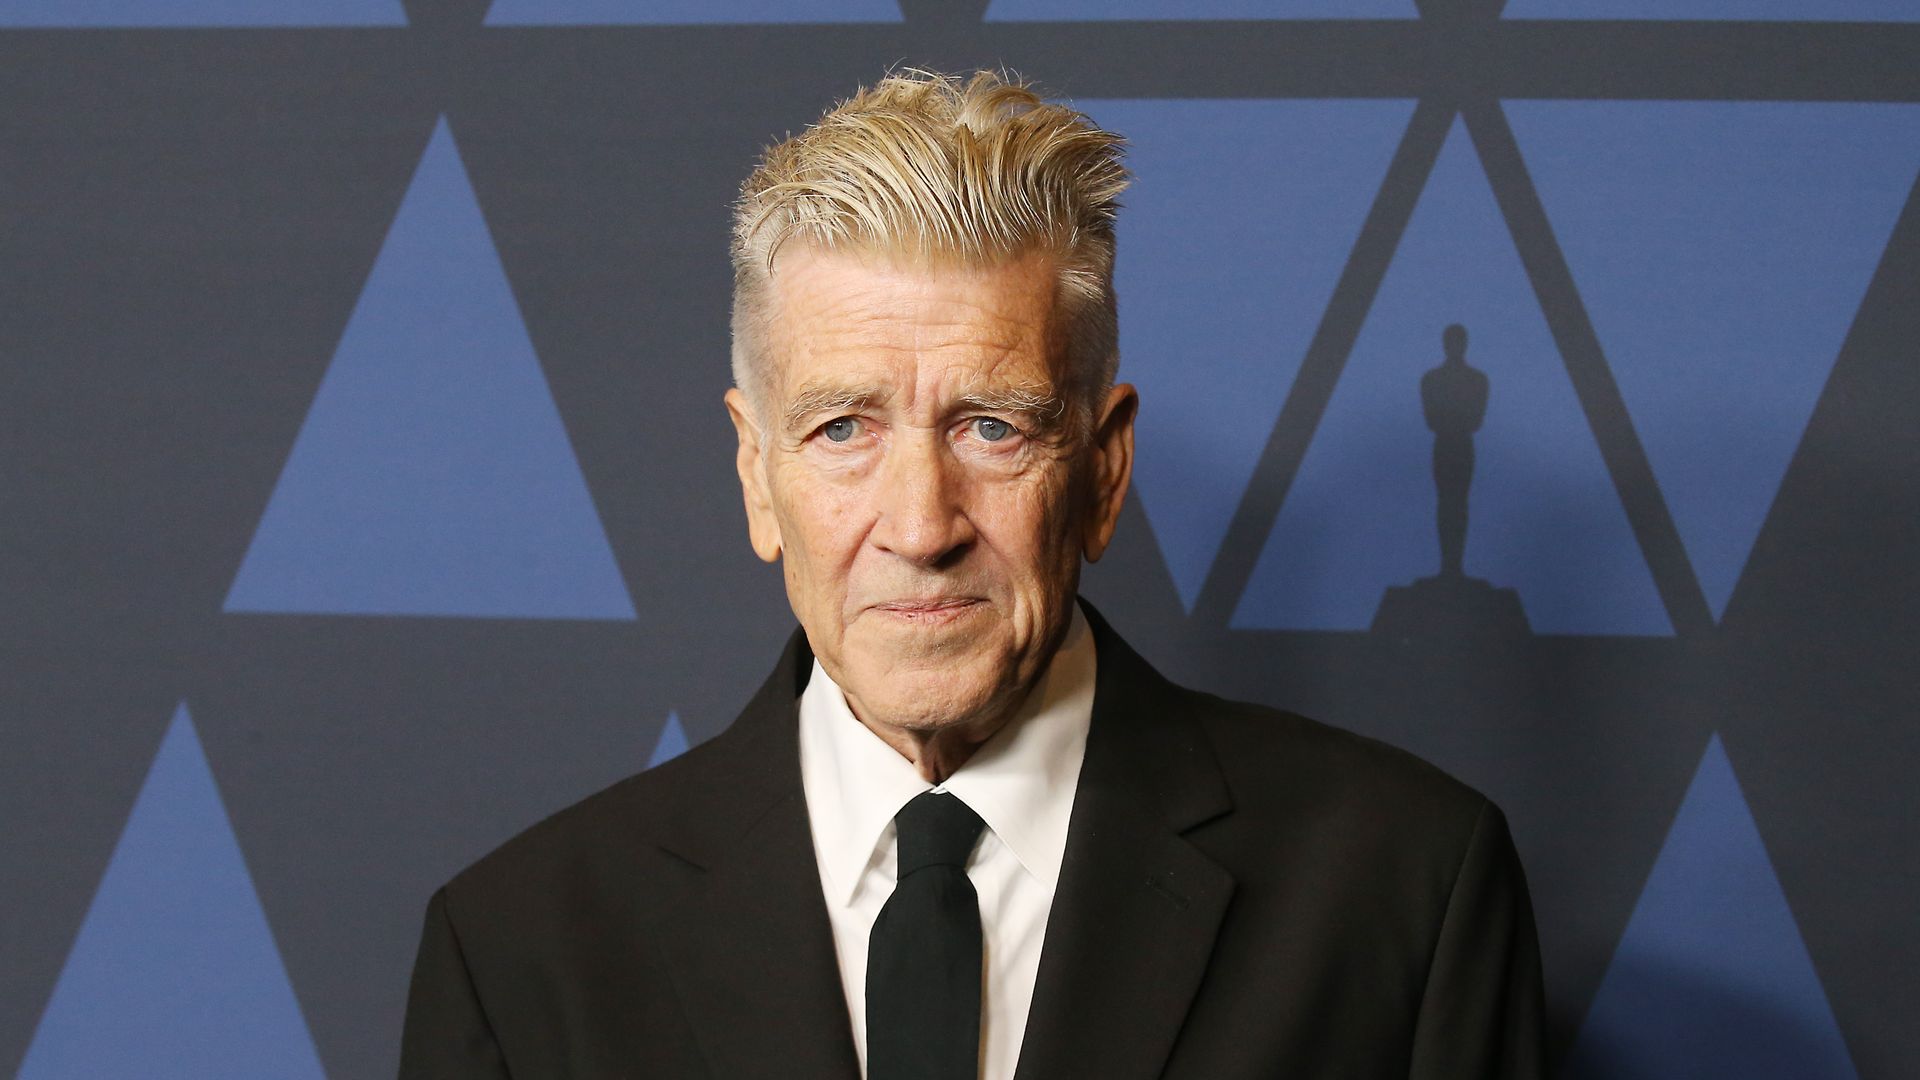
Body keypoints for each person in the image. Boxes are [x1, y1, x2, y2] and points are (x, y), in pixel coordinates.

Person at [398, 68, 1546, 1080]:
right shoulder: (520, 952)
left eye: (991, 427)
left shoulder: (1404, 890)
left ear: (1102, 469)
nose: (919, 523)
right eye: (843, 428)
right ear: (758, 476)